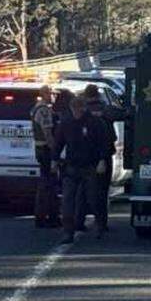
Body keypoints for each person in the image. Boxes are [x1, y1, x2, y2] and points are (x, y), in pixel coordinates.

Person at [53, 95, 105, 244]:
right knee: (68, 201)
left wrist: (102, 160)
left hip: (90, 165)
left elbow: (103, 143)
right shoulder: (67, 123)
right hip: (72, 166)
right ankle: (68, 232)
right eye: (74, 109)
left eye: (79, 109)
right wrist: (54, 160)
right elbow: (59, 142)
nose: (76, 112)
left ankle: (100, 225)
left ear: (84, 108)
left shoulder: (95, 123)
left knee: (93, 199)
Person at [78, 84, 115, 237]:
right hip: (103, 156)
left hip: (83, 156)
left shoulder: (81, 111)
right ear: (98, 95)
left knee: (81, 191)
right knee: (101, 191)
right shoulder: (105, 109)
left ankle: (78, 221)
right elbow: (121, 116)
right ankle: (101, 223)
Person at [30, 85, 59, 228]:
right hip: (46, 150)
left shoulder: (36, 108)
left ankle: (42, 216)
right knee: (49, 185)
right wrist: (55, 153)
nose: (54, 96)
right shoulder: (44, 111)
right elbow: (48, 133)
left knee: (45, 184)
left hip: (40, 149)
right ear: (45, 94)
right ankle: (49, 217)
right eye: (52, 94)